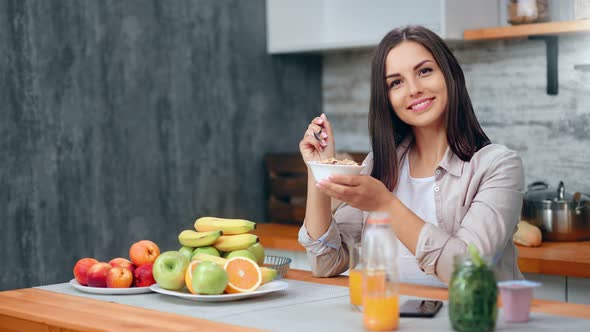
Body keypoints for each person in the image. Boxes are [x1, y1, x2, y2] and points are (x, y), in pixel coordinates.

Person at [298, 25, 524, 287]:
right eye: (396, 82)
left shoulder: (497, 166)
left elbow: (469, 271)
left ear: (449, 74)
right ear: (387, 99)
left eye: (424, 71)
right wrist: (318, 167)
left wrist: (385, 205)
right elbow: (326, 262)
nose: (414, 89)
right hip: (394, 322)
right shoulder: (379, 166)